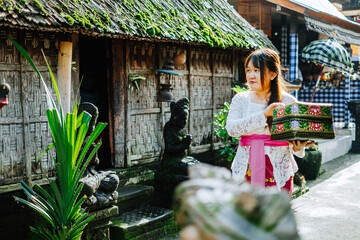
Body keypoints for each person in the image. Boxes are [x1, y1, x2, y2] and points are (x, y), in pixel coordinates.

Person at [226, 48, 314, 195]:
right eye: (248, 70)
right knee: (248, 214)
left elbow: (295, 139)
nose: (251, 75)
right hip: (247, 165)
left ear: (272, 74)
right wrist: (264, 114)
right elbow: (232, 129)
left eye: (257, 70)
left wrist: (299, 147)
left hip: (279, 167)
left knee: (276, 214)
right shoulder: (241, 99)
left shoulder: (288, 101)